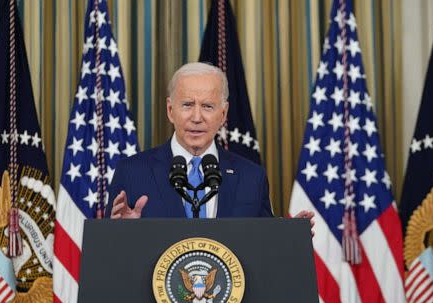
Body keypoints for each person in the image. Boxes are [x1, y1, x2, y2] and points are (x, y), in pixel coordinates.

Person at [106, 62, 314, 225]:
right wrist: (124, 232)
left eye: (207, 106)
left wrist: (287, 237)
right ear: (171, 110)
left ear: (223, 114)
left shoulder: (251, 176)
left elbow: (262, 248)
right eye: (187, 105)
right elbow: (109, 254)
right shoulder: (132, 172)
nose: (197, 117)